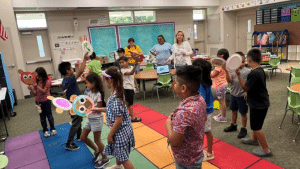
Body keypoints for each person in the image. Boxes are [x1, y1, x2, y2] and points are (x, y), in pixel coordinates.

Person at [92, 67, 135, 169]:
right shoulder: (116, 93)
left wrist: (110, 135)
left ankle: (121, 164)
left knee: (124, 158)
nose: (103, 82)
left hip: (121, 132)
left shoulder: (116, 97)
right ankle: (118, 166)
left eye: (104, 79)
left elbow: (119, 120)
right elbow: (111, 109)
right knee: (119, 152)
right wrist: (98, 109)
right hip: (123, 130)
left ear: (109, 80)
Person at [165, 66, 207, 169]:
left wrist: (168, 124)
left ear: (183, 88)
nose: (174, 84)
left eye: (176, 83)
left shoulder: (184, 112)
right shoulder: (200, 99)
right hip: (196, 154)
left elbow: (175, 142)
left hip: (185, 161)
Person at [236, 48, 273, 157]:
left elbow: (244, 88)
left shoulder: (254, 73)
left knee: (256, 127)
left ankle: (267, 150)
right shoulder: (260, 70)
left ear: (249, 60)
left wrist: (238, 75)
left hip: (258, 105)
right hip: (261, 102)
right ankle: (253, 139)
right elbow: (256, 86)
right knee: (256, 124)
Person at [78, 72, 110, 168]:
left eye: (87, 83)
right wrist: (78, 106)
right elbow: (84, 102)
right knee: (83, 137)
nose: (86, 85)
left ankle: (105, 158)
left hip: (96, 119)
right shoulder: (87, 91)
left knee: (97, 140)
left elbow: (98, 109)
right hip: (89, 118)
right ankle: (97, 151)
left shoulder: (98, 94)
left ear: (94, 83)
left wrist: (89, 108)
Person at [58, 53, 89, 151]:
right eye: (71, 69)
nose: (73, 70)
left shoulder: (65, 80)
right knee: (76, 122)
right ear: (68, 71)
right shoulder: (70, 79)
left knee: (79, 120)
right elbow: (80, 72)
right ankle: (69, 142)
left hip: (74, 103)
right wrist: (84, 60)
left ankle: (79, 136)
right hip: (74, 105)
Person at [223, 52, 251, 139]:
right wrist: (226, 71)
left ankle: (243, 128)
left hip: (242, 96)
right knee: (233, 111)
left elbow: (249, 85)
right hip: (233, 94)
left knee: (243, 113)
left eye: (243, 62)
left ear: (245, 61)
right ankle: (233, 125)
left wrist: (247, 93)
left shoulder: (248, 71)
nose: (241, 64)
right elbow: (229, 81)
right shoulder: (232, 71)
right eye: (239, 62)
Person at [192, 59, 215, 161]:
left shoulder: (201, 84)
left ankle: (209, 153)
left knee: (206, 132)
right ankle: (202, 150)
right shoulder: (205, 81)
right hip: (206, 111)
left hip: (204, 112)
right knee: (203, 132)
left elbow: (201, 101)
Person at [28, 67, 56, 137]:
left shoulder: (47, 81)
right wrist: (31, 88)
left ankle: (52, 128)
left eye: (39, 76)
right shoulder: (36, 82)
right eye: (37, 76)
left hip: (46, 101)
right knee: (42, 117)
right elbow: (34, 94)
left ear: (43, 75)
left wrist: (36, 86)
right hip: (38, 102)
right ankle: (45, 130)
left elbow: (44, 91)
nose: (38, 77)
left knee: (49, 116)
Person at [119, 56, 141, 123]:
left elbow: (133, 76)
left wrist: (136, 85)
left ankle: (128, 114)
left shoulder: (131, 67)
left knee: (128, 103)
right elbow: (130, 73)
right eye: (120, 63)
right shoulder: (122, 70)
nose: (122, 64)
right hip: (126, 88)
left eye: (123, 62)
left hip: (131, 87)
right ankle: (133, 117)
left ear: (127, 62)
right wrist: (135, 65)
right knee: (130, 104)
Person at [212, 48, 229, 122]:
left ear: (222, 56)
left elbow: (213, 75)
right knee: (222, 101)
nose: (217, 58)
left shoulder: (220, 64)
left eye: (218, 56)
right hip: (223, 83)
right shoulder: (225, 62)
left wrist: (208, 72)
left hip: (220, 84)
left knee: (222, 101)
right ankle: (222, 114)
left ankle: (223, 117)